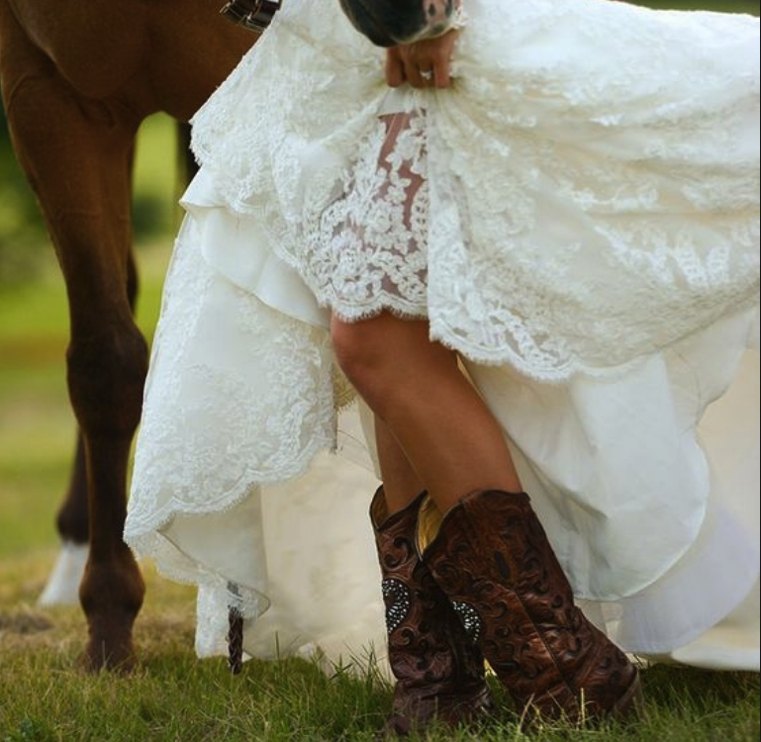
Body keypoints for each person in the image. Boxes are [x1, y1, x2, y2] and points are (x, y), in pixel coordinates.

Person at [124, 0, 760, 733]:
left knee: (372, 336)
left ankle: (560, 666)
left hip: (417, 37)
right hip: (340, 43)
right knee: (394, 329)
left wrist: (417, 14)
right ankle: (435, 670)